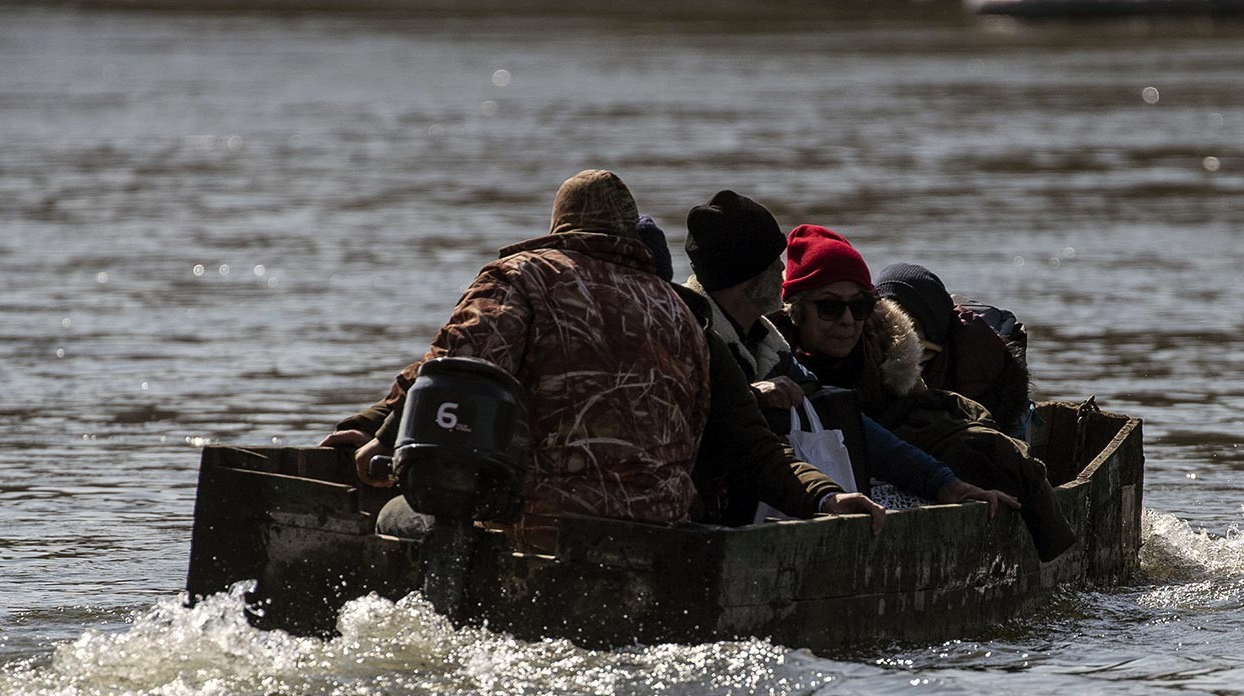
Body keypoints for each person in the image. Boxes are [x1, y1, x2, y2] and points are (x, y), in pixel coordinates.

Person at [329, 196, 886, 534]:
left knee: (395, 519)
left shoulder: (524, 279)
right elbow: (752, 445)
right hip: (662, 523)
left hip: (541, 516)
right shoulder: (683, 315)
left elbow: (450, 366)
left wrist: (373, 435)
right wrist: (824, 496)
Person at [681, 190, 1013, 515]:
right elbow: (703, 420)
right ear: (748, 278)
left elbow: (846, 422)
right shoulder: (692, 341)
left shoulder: (768, 346)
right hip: (705, 511)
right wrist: (754, 395)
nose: (782, 272)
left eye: (861, 306)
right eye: (772, 264)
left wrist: (943, 483)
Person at [779, 225, 1077, 561]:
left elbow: (875, 437)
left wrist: (946, 483)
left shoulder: (884, 359)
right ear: (797, 311)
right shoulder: (777, 361)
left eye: (860, 307)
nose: (848, 320)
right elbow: (853, 430)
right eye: (830, 308)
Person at [875, 263, 1030, 436]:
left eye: (907, 325)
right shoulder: (867, 357)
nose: (894, 335)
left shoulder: (977, 367)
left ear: (932, 331)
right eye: (885, 322)